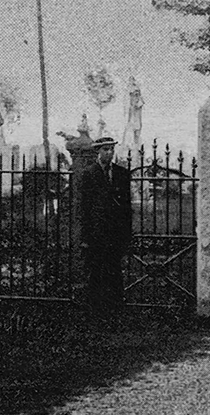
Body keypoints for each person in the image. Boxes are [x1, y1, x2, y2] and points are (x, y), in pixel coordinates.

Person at [77, 136, 132, 317]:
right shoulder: (89, 174)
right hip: (96, 233)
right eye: (105, 149)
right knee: (95, 272)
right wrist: (85, 237)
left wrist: (126, 235)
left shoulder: (122, 174)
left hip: (115, 232)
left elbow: (126, 207)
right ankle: (95, 311)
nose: (109, 153)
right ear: (97, 152)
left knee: (114, 270)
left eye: (111, 149)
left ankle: (115, 309)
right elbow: (84, 208)